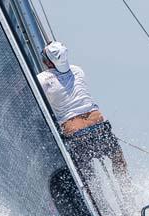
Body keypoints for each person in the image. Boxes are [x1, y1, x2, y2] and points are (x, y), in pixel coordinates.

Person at [37, 41, 128, 182]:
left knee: (87, 177)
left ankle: (95, 201)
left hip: (76, 134)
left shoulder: (43, 79)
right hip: (98, 126)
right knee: (117, 158)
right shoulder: (77, 70)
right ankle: (128, 195)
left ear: (49, 63)